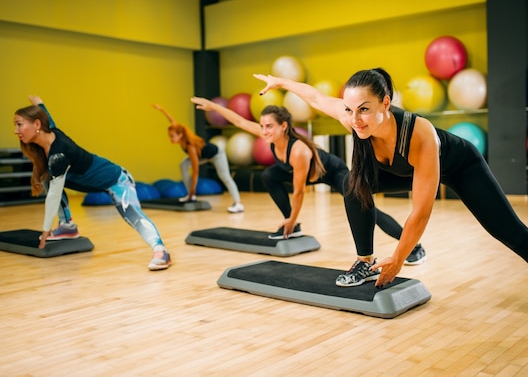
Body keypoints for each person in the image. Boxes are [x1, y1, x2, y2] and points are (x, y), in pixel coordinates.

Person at [253, 69, 528, 341]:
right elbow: (315, 97)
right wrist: (281, 82)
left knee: (511, 233)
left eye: (364, 108)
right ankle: (364, 261)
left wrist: (398, 258)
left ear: (385, 101)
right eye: (350, 109)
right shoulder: (353, 119)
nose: (356, 118)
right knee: (353, 183)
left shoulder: (418, 133)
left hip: (460, 166)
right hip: (404, 169)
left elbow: (421, 210)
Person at [191, 97, 426, 265]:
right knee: (269, 175)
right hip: (308, 175)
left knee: (365, 208)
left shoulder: (298, 151)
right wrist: (213, 106)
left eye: (269, 126)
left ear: (284, 126)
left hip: (334, 172)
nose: (264, 131)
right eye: (262, 126)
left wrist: (292, 219)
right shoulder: (270, 137)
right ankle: (293, 227)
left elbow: (299, 192)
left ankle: (413, 246)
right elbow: (240, 122)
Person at [14, 96, 171, 271]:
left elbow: (54, 196)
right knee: (46, 178)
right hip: (88, 182)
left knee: (132, 215)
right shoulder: (50, 130)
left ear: (36, 125)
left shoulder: (59, 154)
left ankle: (161, 251)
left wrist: (45, 231)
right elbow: (47, 117)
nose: (16, 130)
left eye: (19, 124)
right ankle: (67, 227)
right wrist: (39, 103)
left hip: (117, 179)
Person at [152, 104, 244, 213]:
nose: (170, 139)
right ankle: (190, 196)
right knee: (183, 165)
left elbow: (195, 171)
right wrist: (162, 109)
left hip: (217, 154)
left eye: (172, 136)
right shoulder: (180, 134)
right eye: (170, 136)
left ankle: (238, 204)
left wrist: (192, 190)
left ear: (180, 135)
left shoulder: (190, 147)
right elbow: (171, 120)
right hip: (203, 156)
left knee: (225, 177)